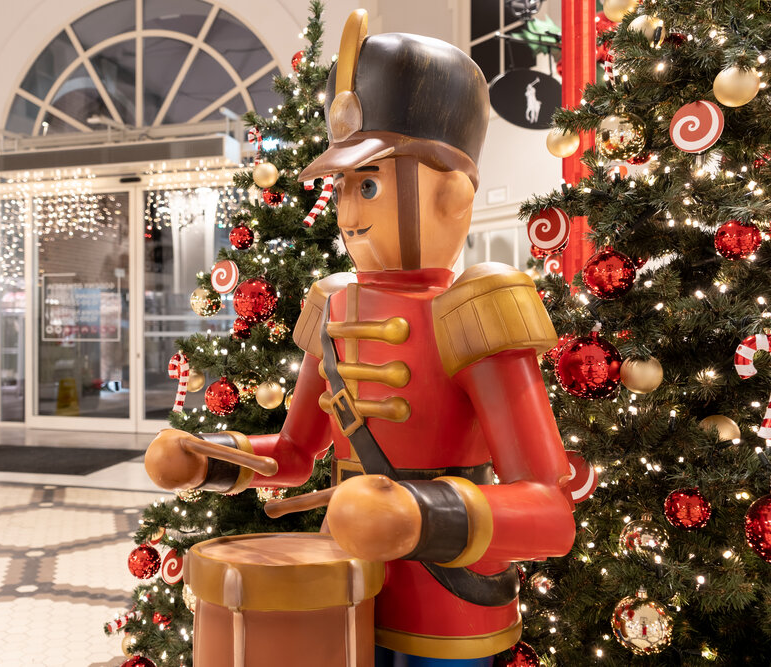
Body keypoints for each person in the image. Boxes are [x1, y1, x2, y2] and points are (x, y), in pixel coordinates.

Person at [145, 10, 576, 666]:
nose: (348, 211)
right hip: (343, 585)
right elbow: (296, 454)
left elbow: (549, 512)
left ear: (452, 196)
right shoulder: (334, 301)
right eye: (344, 185)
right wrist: (210, 459)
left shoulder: (480, 304)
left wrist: (416, 514)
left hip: (447, 603)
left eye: (369, 183)